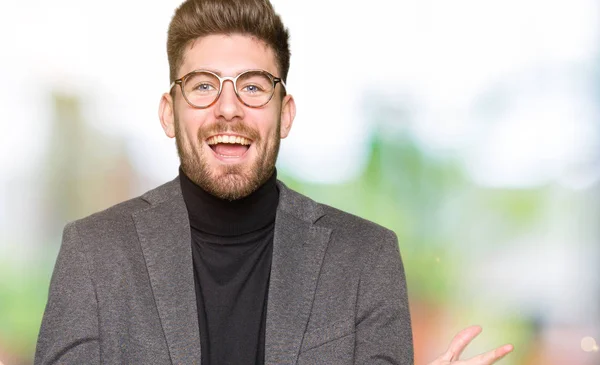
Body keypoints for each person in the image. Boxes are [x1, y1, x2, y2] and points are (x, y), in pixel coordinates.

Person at [34, 0, 513, 364]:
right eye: (202, 85)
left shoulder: (367, 258)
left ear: (284, 114)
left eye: (253, 86)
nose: (228, 107)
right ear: (168, 113)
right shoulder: (92, 253)